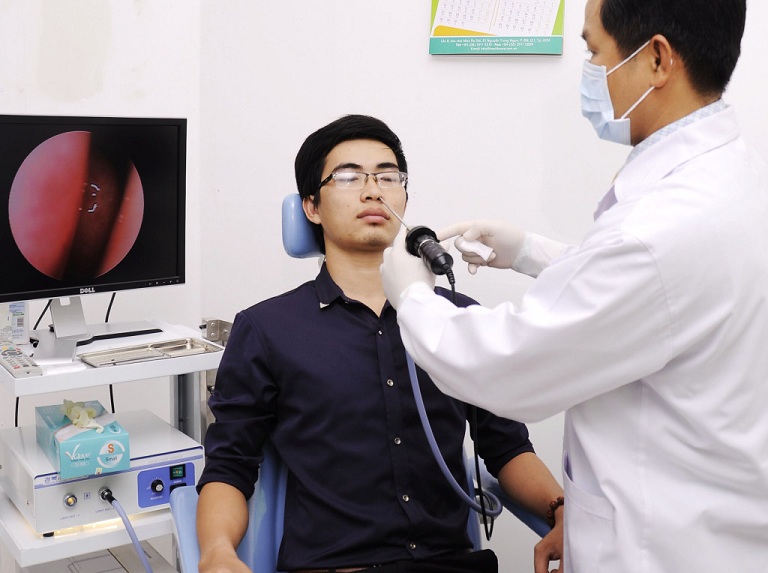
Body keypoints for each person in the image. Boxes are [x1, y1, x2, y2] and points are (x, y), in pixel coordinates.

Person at [380, 0, 768, 571]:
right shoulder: (729, 178)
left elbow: (509, 365)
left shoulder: (658, 230)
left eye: (594, 51)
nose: (590, 72)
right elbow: (653, 297)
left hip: (660, 548)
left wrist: (414, 298)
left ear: (657, 59)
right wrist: (529, 252)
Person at [196, 114, 565, 573]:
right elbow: (229, 466)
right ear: (311, 206)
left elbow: (507, 447)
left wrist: (561, 510)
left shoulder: (457, 319)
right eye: (349, 177)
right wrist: (217, 551)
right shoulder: (267, 329)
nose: (373, 191)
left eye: (388, 177)